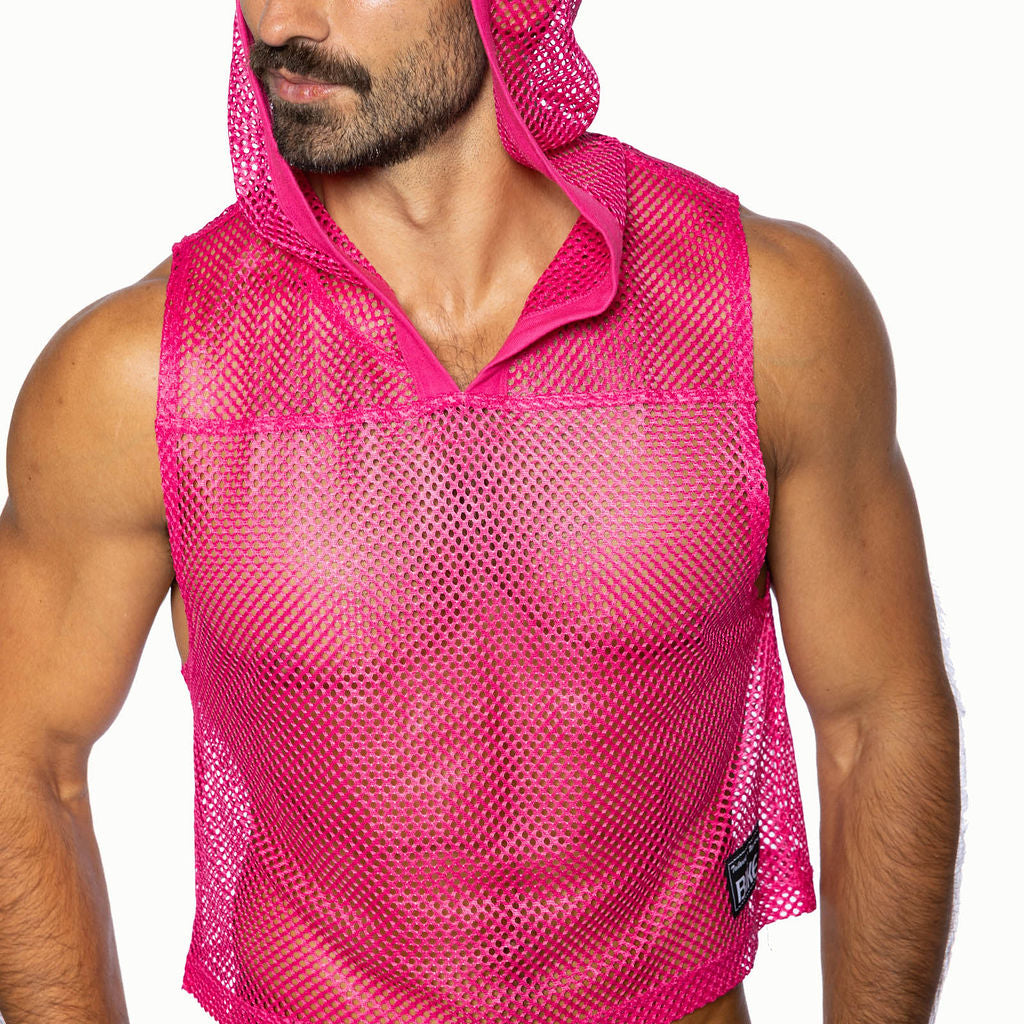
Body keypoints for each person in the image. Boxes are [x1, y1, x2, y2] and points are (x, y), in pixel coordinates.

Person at [0, 1, 961, 1022]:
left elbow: (877, 719)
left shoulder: (766, 315)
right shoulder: (138, 378)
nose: (280, 20)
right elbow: (24, 759)